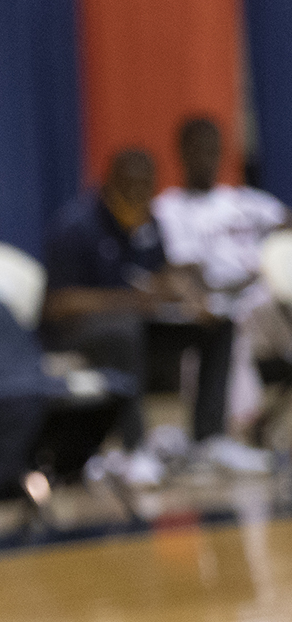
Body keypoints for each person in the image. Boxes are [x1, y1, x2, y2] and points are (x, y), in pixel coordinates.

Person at [42, 148, 247, 485]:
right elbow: (59, 304)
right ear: (111, 185)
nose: (140, 199)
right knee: (125, 331)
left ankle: (209, 439)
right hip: (78, 333)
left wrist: (186, 293)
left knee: (217, 323)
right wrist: (133, 300)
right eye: (132, 190)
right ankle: (134, 450)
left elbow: (159, 273)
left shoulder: (149, 221)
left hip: (139, 321)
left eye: (147, 190)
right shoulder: (75, 227)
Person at [152, 116, 286, 467]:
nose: (207, 159)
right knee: (227, 319)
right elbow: (184, 270)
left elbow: (284, 221)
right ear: (182, 153)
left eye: (214, 151)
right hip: (217, 304)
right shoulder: (169, 208)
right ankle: (224, 437)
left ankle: (254, 430)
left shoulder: (243, 201)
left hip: (265, 302)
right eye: (199, 150)